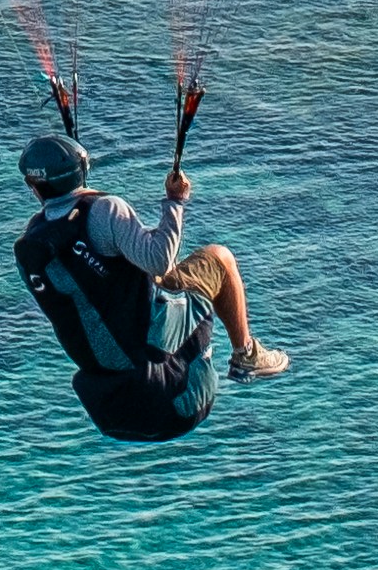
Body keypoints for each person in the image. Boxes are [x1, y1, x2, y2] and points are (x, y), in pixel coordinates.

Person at [19, 126, 288, 397]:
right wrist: (175, 202)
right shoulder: (106, 209)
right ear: (82, 169)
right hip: (148, 336)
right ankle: (246, 355)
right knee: (219, 258)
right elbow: (160, 262)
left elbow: (92, 271)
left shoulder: (33, 243)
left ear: (34, 188)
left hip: (107, 356)